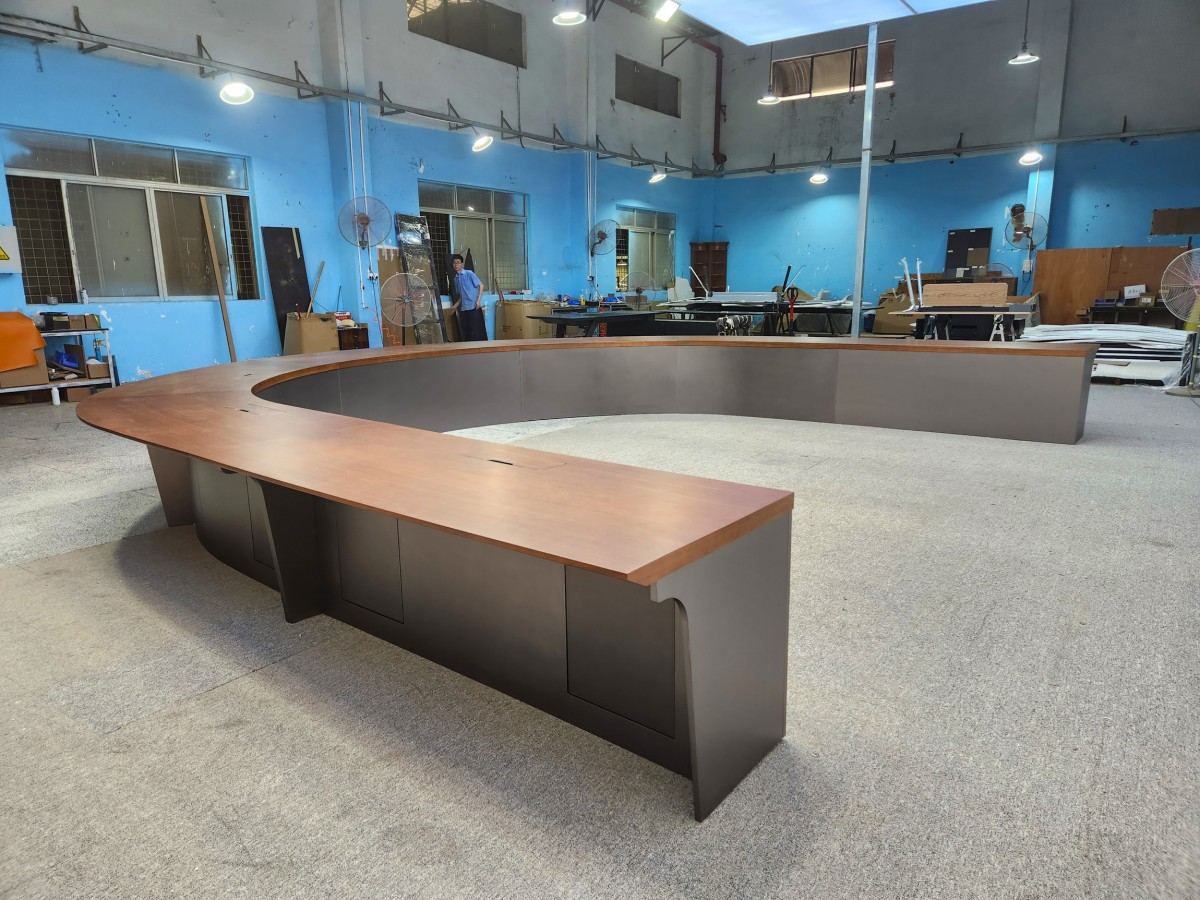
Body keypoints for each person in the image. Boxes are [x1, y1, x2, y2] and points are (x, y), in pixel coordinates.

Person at [448, 253, 487, 342]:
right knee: (466, 332)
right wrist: (455, 306)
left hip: (473, 306)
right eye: (454, 263)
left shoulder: (469, 273)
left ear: (462, 264)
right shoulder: (456, 279)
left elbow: (481, 286)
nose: (456, 264)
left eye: (458, 262)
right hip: (464, 308)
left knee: (474, 331)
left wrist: (478, 301)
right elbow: (462, 296)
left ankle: (476, 349)